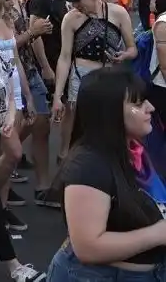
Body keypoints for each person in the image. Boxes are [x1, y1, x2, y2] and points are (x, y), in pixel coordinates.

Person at [48, 68, 166, 281]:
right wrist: (157, 234)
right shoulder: (89, 164)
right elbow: (88, 247)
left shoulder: (133, 149)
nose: (150, 108)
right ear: (109, 113)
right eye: (138, 104)